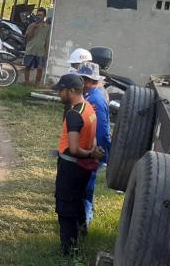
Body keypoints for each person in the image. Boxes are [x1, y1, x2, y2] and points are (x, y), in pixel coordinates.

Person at [52, 74, 104, 256]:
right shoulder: (89, 108)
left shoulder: (74, 114)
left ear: (71, 91)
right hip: (82, 168)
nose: (59, 94)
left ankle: (68, 251)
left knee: (65, 207)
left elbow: (74, 149)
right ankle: (82, 231)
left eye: (61, 90)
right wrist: (92, 152)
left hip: (71, 167)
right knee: (78, 200)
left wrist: (90, 152)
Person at [76, 62, 111, 227]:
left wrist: (102, 151)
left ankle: (84, 222)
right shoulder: (89, 96)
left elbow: (102, 130)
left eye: (82, 79)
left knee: (86, 186)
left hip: (93, 150)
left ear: (89, 80)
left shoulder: (95, 99)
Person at [23, 8, 50, 86]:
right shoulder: (31, 25)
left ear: (44, 16)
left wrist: (46, 52)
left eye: (41, 15)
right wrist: (34, 28)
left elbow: (47, 41)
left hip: (41, 51)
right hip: (30, 49)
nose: (39, 17)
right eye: (38, 15)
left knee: (40, 68)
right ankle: (26, 82)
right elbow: (27, 38)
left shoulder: (47, 27)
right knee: (27, 66)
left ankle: (37, 83)